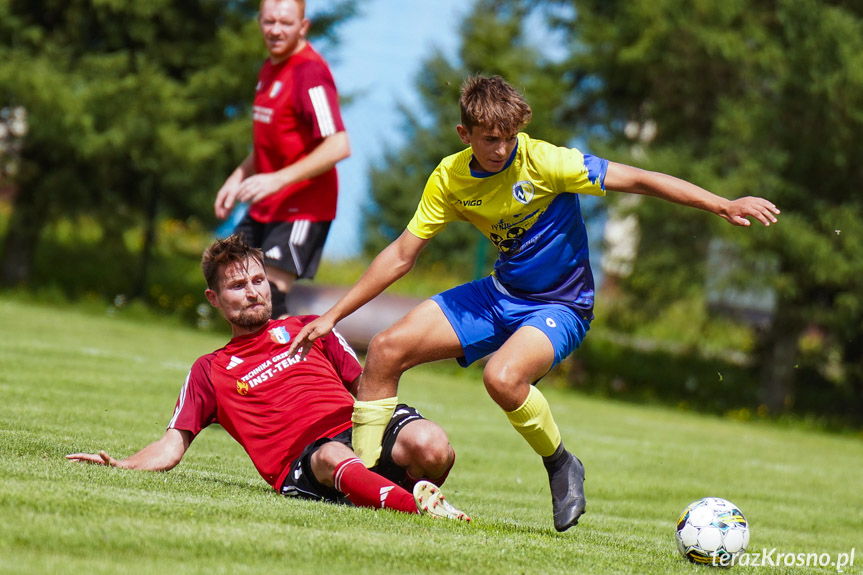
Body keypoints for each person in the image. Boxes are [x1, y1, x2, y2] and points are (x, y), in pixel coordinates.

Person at [287, 75, 781, 532]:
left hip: (563, 305)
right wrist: (333, 316)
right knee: (386, 348)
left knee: (501, 378)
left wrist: (722, 203)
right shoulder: (449, 178)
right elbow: (400, 255)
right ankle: (364, 479)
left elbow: (639, 178)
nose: (501, 149)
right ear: (465, 133)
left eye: (509, 137)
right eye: (488, 138)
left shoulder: (546, 161)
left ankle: (562, 465)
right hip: (501, 294)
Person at [67, 235, 469, 522]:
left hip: (357, 432)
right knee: (331, 456)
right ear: (214, 299)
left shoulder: (311, 326)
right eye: (237, 286)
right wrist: (123, 465)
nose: (252, 292)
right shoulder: (209, 370)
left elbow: (367, 388)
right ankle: (418, 509)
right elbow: (172, 446)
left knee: (431, 444)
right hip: (307, 459)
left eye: (258, 281)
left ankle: (378, 492)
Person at [214, 0, 350, 319]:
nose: (276, 30)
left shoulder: (310, 72)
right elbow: (270, 144)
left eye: (286, 23)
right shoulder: (270, 67)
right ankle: (256, 366)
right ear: (260, 22)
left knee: (267, 297)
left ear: (303, 26)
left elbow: (338, 145)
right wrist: (237, 178)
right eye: (269, 21)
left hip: (302, 207)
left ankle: (309, 366)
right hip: (267, 205)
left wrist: (277, 179)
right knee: (232, 278)